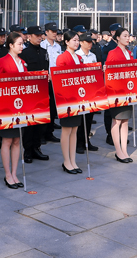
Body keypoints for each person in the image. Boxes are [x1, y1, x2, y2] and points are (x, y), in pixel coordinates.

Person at [0, 32, 28, 189]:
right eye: (19, 44)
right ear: (11, 45)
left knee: (17, 140)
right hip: (7, 107)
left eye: (22, 43)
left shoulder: (23, 62)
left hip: (21, 107)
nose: (22, 46)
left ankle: (15, 173)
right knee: (7, 140)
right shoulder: (2, 61)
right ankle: (7, 174)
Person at [19, 26, 51, 163]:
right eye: (36, 35)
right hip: (29, 92)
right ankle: (28, 150)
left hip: (42, 91)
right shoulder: (24, 53)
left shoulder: (44, 52)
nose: (39, 37)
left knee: (40, 122)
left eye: (40, 35)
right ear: (29, 36)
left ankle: (37, 148)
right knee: (29, 124)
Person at [55, 31, 84, 174]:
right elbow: (60, 79)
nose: (76, 42)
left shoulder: (79, 57)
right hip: (67, 99)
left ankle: (73, 160)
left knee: (75, 130)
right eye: (73, 40)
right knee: (67, 130)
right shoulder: (62, 57)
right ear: (66, 42)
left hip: (78, 98)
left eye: (78, 40)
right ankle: (66, 161)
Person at [105, 27, 135, 162]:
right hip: (116, 92)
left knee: (125, 120)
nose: (128, 38)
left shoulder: (129, 53)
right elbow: (109, 74)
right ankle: (118, 151)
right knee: (116, 120)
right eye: (125, 36)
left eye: (128, 36)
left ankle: (124, 150)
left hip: (128, 91)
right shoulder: (112, 53)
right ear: (117, 38)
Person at [75, 34, 99, 154]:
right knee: (80, 118)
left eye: (91, 42)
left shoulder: (93, 56)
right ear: (81, 42)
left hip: (91, 90)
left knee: (89, 118)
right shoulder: (77, 55)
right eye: (87, 41)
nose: (90, 44)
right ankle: (78, 143)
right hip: (80, 91)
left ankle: (86, 141)